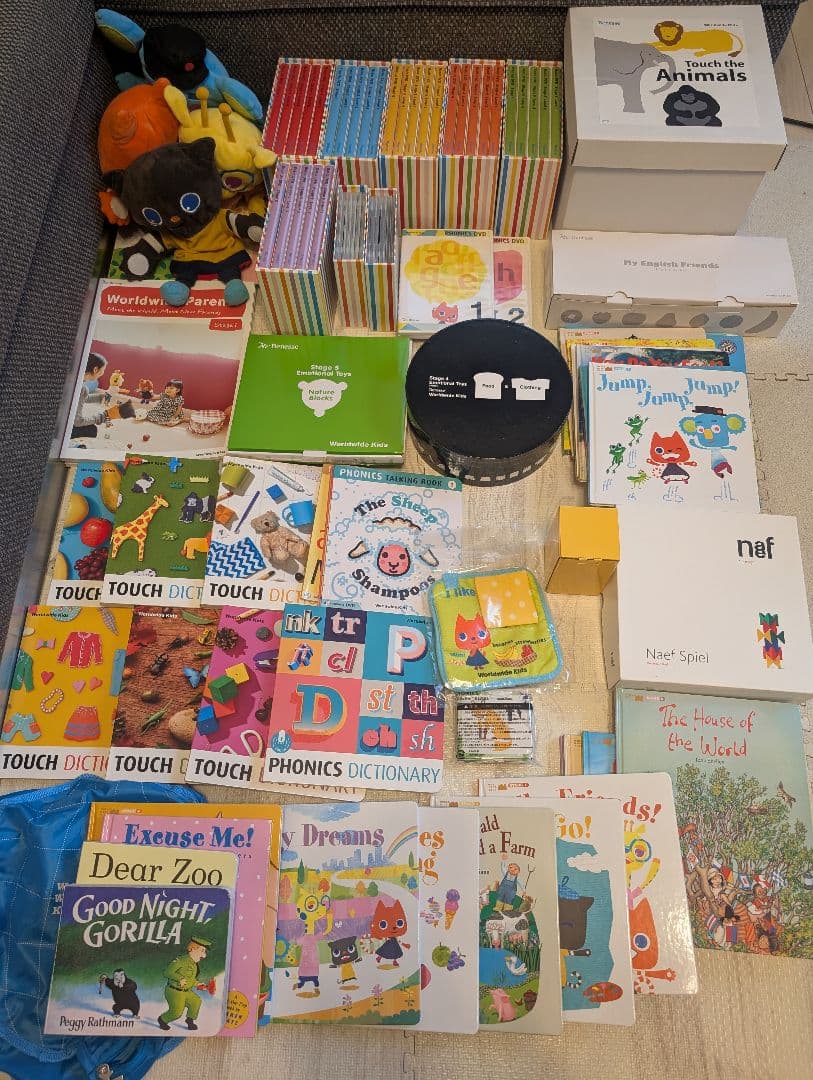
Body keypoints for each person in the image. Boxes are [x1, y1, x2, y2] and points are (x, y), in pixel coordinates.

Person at [70, 352, 134, 439]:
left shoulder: (74, 380)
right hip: (61, 427)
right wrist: (105, 416)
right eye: (103, 370)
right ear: (95, 369)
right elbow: (78, 422)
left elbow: (81, 399)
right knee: (92, 430)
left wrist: (102, 397)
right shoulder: (81, 388)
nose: (103, 373)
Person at [158, 936, 212, 1031]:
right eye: (202, 951)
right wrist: (179, 978)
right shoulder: (181, 960)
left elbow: (190, 979)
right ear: (192, 949)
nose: (204, 955)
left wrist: (198, 984)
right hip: (174, 992)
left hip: (186, 991)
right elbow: (167, 972)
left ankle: (190, 1020)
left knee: (196, 1001)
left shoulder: (194, 964)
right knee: (176, 1013)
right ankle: (163, 1020)